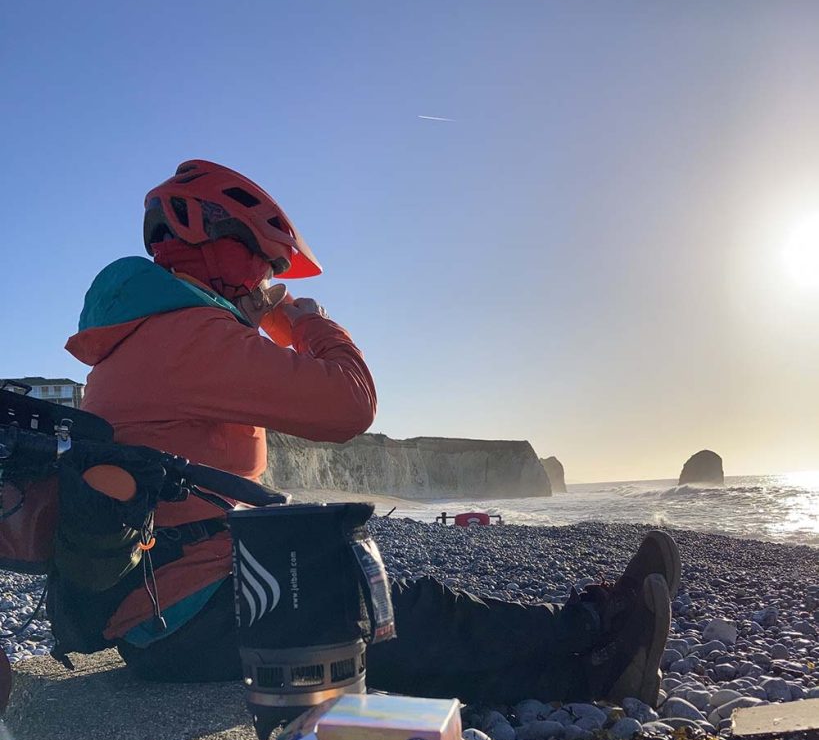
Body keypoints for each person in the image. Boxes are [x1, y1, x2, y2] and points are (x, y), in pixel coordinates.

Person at [57, 159, 680, 708]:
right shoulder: (190, 337)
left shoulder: (148, 332)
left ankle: (589, 665)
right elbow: (349, 405)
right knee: (397, 611)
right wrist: (309, 324)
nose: (269, 281)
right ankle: (594, 630)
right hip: (192, 617)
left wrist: (252, 317)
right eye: (269, 264)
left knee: (381, 613)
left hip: (167, 609)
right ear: (224, 246)